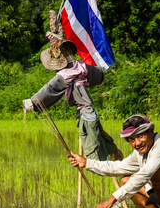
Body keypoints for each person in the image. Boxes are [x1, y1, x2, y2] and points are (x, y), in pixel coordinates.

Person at [22, 11, 120, 161]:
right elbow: (99, 75)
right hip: (86, 114)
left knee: (95, 158)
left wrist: (33, 103)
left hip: (87, 116)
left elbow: (51, 89)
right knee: (96, 153)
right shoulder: (81, 68)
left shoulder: (67, 74)